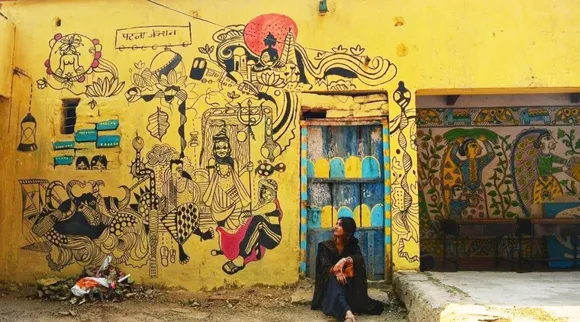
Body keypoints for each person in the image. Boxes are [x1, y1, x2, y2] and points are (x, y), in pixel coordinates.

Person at [311, 217, 384, 321]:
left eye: (340, 225)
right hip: (329, 288)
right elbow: (325, 267)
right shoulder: (325, 246)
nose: (336, 226)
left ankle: (346, 311)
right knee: (334, 279)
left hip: (348, 287)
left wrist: (344, 260)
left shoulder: (353, 246)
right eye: (336, 224)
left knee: (342, 282)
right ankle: (347, 313)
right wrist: (336, 272)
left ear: (347, 230)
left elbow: (359, 260)